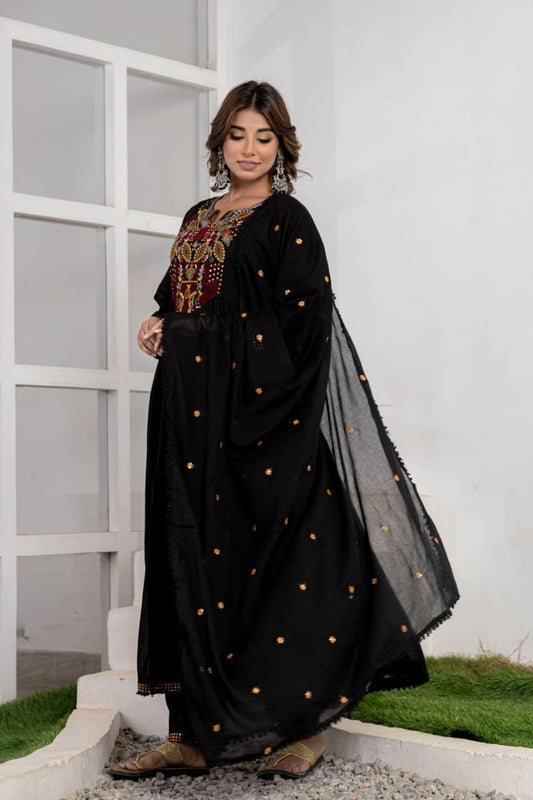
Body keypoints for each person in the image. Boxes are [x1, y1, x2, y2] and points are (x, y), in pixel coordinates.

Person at [107, 81, 458, 781]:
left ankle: (306, 729)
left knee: (284, 566)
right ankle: (191, 734)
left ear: (281, 147)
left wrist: (191, 336)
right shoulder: (200, 216)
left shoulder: (287, 220)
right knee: (189, 557)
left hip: (263, 423)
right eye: (237, 135)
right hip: (187, 422)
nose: (249, 149)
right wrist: (158, 323)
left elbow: (302, 326)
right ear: (220, 142)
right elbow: (182, 300)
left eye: (263, 137)